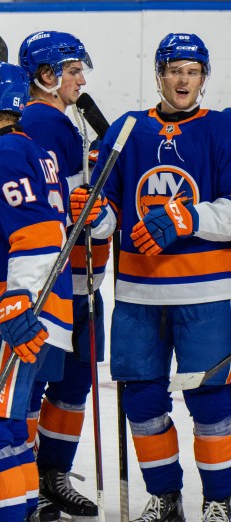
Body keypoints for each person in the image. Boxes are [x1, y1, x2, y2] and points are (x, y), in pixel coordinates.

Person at [92, 33, 231, 522]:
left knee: (212, 402)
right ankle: (165, 497)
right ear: (159, 74)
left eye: (192, 71)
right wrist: (94, 218)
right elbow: (106, 206)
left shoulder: (222, 129)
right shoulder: (127, 129)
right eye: (174, 70)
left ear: (203, 79)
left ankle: (218, 500)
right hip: (137, 293)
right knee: (143, 398)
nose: (183, 79)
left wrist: (187, 218)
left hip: (207, 293)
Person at [0, 61, 73, 522]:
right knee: (9, 426)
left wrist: (20, 299)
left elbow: (40, 233)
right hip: (36, 312)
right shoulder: (36, 152)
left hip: (12, 315)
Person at [17, 30, 103, 517]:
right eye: (73, 71)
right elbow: (56, 200)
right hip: (56, 281)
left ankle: (48, 474)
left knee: (71, 382)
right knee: (41, 380)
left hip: (78, 278)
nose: (81, 80)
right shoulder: (44, 121)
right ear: (47, 76)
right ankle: (32, 477)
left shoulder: (63, 122)